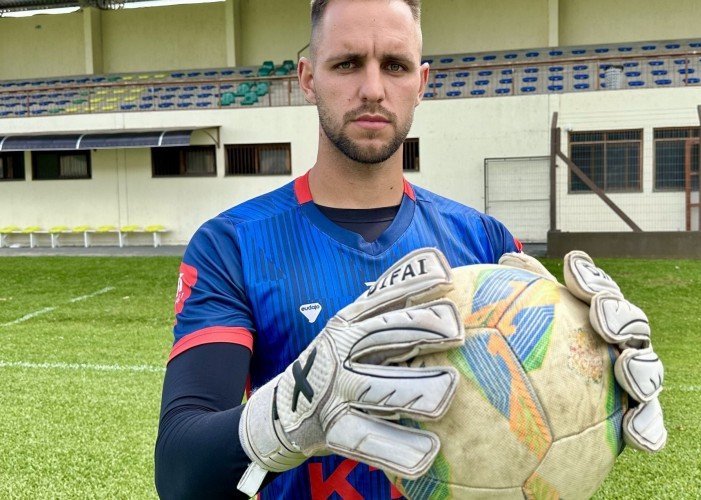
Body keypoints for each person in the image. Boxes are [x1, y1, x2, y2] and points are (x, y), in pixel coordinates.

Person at [154, 1, 665, 498]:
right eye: (348, 63)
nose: (372, 89)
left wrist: (600, 382)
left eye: (394, 66)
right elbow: (180, 472)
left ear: (420, 83)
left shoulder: (486, 244)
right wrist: (285, 415)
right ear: (308, 77)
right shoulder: (232, 245)